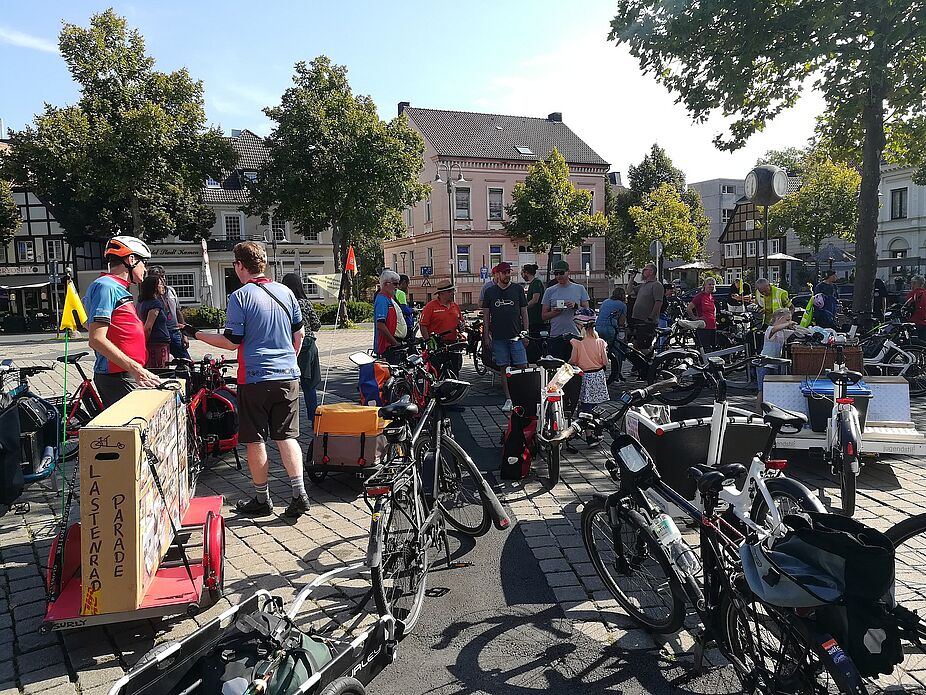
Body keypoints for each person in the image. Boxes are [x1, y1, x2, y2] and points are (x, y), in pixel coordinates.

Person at [185, 241, 308, 518]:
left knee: (255, 439)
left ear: (239, 266)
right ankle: (299, 493)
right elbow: (298, 335)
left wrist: (197, 334)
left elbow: (231, 342)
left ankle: (262, 500)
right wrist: (289, 360)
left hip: (254, 378)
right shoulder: (286, 292)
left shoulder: (240, 297)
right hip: (287, 375)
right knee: (287, 436)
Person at [84, 235, 161, 407]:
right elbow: (96, 338)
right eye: (144, 262)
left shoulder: (116, 288)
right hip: (118, 375)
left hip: (125, 373)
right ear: (131, 259)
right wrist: (136, 369)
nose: (145, 269)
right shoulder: (107, 286)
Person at [482, 262, 529, 413]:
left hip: (516, 336)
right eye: (504, 273)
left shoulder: (518, 289)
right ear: (497, 275)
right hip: (498, 337)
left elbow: (524, 313)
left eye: (509, 272)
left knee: (523, 367)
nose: (507, 275)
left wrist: (526, 332)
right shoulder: (490, 292)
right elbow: (486, 317)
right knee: (504, 368)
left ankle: (524, 396)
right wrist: (486, 336)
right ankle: (509, 398)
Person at [281, 273, 323, 429]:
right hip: (309, 344)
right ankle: (314, 419)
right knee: (309, 384)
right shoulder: (305, 303)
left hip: (290, 345)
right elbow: (316, 324)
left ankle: (288, 419)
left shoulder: (285, 303)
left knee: (289, 384)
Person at [541, 260, 590, 361]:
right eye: (556, 273)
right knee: (557, 369)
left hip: (576, 335)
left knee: (576, 367)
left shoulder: (579, 288)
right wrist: (555, 312)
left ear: (568, 272)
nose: (559, 276)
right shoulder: (549, 291)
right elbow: (544, 316)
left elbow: (588, 313)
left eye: (561, 273)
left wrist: (575, 306)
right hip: (556, 336)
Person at [569, 308, 609, 423]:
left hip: (585, 376)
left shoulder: (576, 342)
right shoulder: (601, 342)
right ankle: (596, 429)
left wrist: (568, 364)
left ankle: (588, 433)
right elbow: (605, 362)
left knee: (585, 404)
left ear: (580, 326)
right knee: (594, 404)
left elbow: (574, 360)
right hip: (598, 375)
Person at [756, 308, 801, 409]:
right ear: (779, 318)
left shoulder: (782, 332)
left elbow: (796, 332)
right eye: (787, 320)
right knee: (762, 390)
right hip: (764, 363)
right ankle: (757, 413)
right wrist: (787, 324)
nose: (788, 322)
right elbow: (774, 329)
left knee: (771, 389)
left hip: (775, 364)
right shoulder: (769, 329)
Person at [420, 281, 463, 375]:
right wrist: (428, 341)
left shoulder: (455, 306)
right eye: (450, 291)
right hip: (437, 344)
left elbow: (460, 322)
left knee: (455, 369)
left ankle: (454, 387)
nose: (453, 293)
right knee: (436, 370)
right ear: (442, 293)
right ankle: (436, 388)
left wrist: (461, 327)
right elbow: (423, 325)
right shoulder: (430, 306)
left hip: (453, 343)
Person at [148, 265, 191, 361]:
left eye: (163, 276)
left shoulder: (171, 291)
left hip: (174, 332)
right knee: (162, 365)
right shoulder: (150, 296)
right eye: (158, 277)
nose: (162, 280)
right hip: (159, 335)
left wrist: (184, 335)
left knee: (185, 361)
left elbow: (177, 311)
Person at [135, 275, 172, 369]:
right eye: (160, 284)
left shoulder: (141, 303)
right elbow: (148, 327)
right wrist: (143, 344)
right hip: (157, 343)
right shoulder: (154, 304)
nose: (163, 286)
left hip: (152, 342)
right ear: (154, 288)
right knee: (160, 370)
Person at [373, 270, 408, 363]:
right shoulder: (382, 300)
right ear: (385, 284)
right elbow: (380, 326)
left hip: (393, 344)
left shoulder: (389, 298)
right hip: (388, 346)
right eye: (395, 284)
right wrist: (394, 342)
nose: (397, 287)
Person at [630, 263, 664, 354]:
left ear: (651, 272)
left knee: (644, 346)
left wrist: (651, 317)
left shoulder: (656, 285)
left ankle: (650, 363)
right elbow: (629, 291)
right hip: (638, 319)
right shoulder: (643, 285)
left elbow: (658, 302)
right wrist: (632, 278)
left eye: (645, 270)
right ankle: (640, 365)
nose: (643, 272)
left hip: (647, 321)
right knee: (636, 344)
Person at [596, 287, 627, 383]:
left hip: (598, 327)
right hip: (610, 329)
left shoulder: (605, 302)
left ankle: (598, 372)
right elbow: (621, 322)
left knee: (600, 351)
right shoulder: (622, 305)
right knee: (616, 351)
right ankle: (617, 373)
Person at [688, 277, 717, 350]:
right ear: (704, 285)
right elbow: (689, 308)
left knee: (712, 349)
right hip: (704, 328)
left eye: (713, 284)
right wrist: (695, 318)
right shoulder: (700, 296)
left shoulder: (711, 296)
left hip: (712, 326)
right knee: (704, 349)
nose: (711, 286)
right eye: (709, 284)